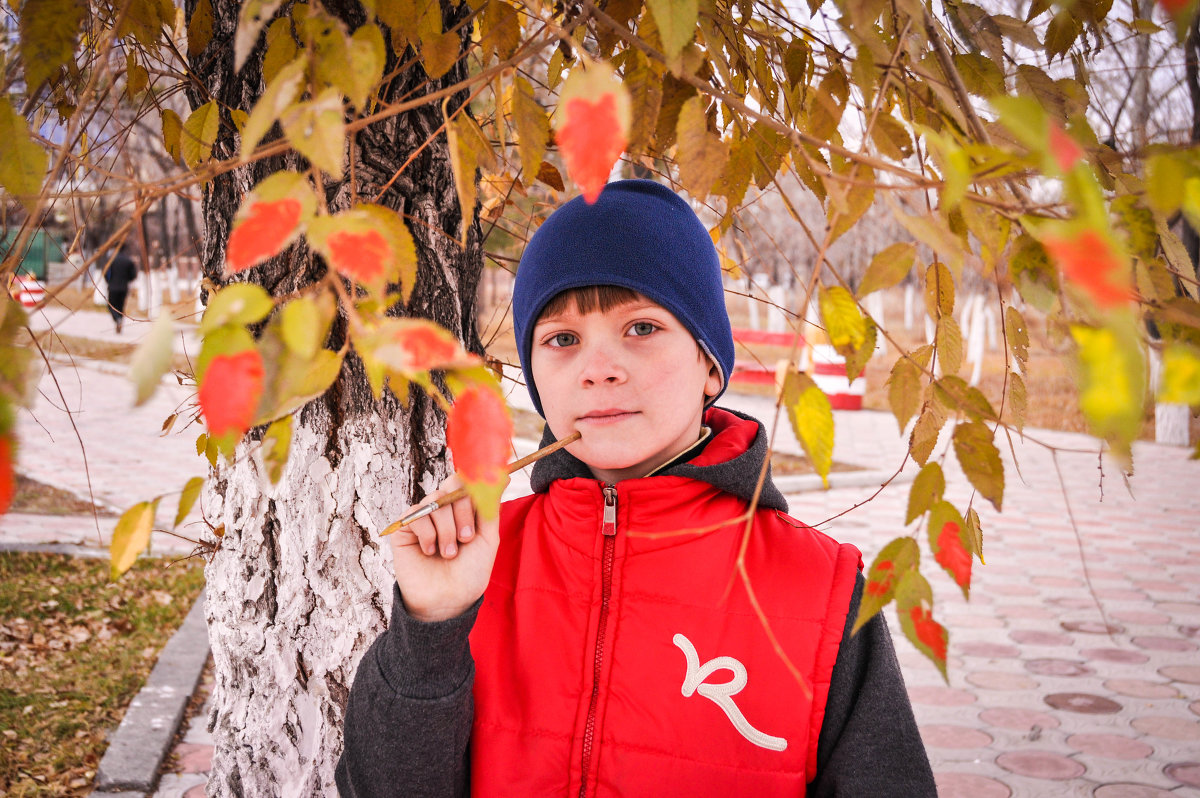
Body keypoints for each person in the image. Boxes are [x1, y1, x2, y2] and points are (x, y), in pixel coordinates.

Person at [336, 179, 934, 797]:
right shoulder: (478, 567)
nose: (599, 369)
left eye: (641, 328)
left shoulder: (820, 589)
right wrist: (433, 626)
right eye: (563, 339)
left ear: (709, 364)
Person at [103, 244, 138, 333]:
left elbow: (106, 273)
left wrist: (109, 281)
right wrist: (126, 280)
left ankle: (117, 319)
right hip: (124, 287)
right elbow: (133, 275)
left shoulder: (111, 260)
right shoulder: (128, 261)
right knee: (121, 306)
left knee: (111, 305)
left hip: (113, 287)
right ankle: (119, 319)